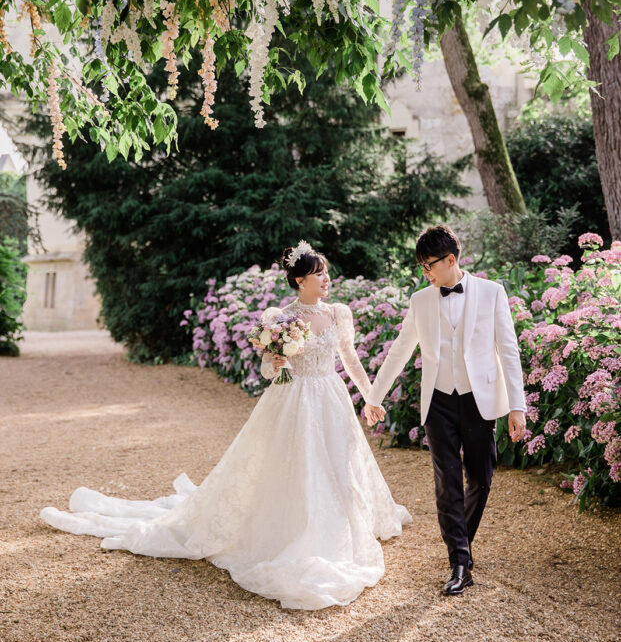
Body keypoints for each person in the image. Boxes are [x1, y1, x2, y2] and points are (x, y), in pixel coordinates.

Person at [40, 242, 411, 610]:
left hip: (331, 398)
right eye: (318, 274)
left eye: (326, 272)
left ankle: (345, 525)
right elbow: (267, 370)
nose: (326, 278)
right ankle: (299, 531)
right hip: (295, 401)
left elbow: (350, 359)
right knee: (302, 466)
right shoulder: (281, 318)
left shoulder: (338, 313)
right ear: (300, 280)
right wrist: (277, 363)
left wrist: (371, 397)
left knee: (341, 463)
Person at [368, 224, 526, 595]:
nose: (425, 273)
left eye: (429, 265)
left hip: (478, 398)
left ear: (450, 260)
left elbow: (508, 349)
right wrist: (374, 396)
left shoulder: (491, 292)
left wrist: (517, 406)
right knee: (447, 482)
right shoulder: (420, 301)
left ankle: (461, 544)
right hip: (438, 400)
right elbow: (400, 349)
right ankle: (459, 563)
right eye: (422, 267)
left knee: (481, 479)